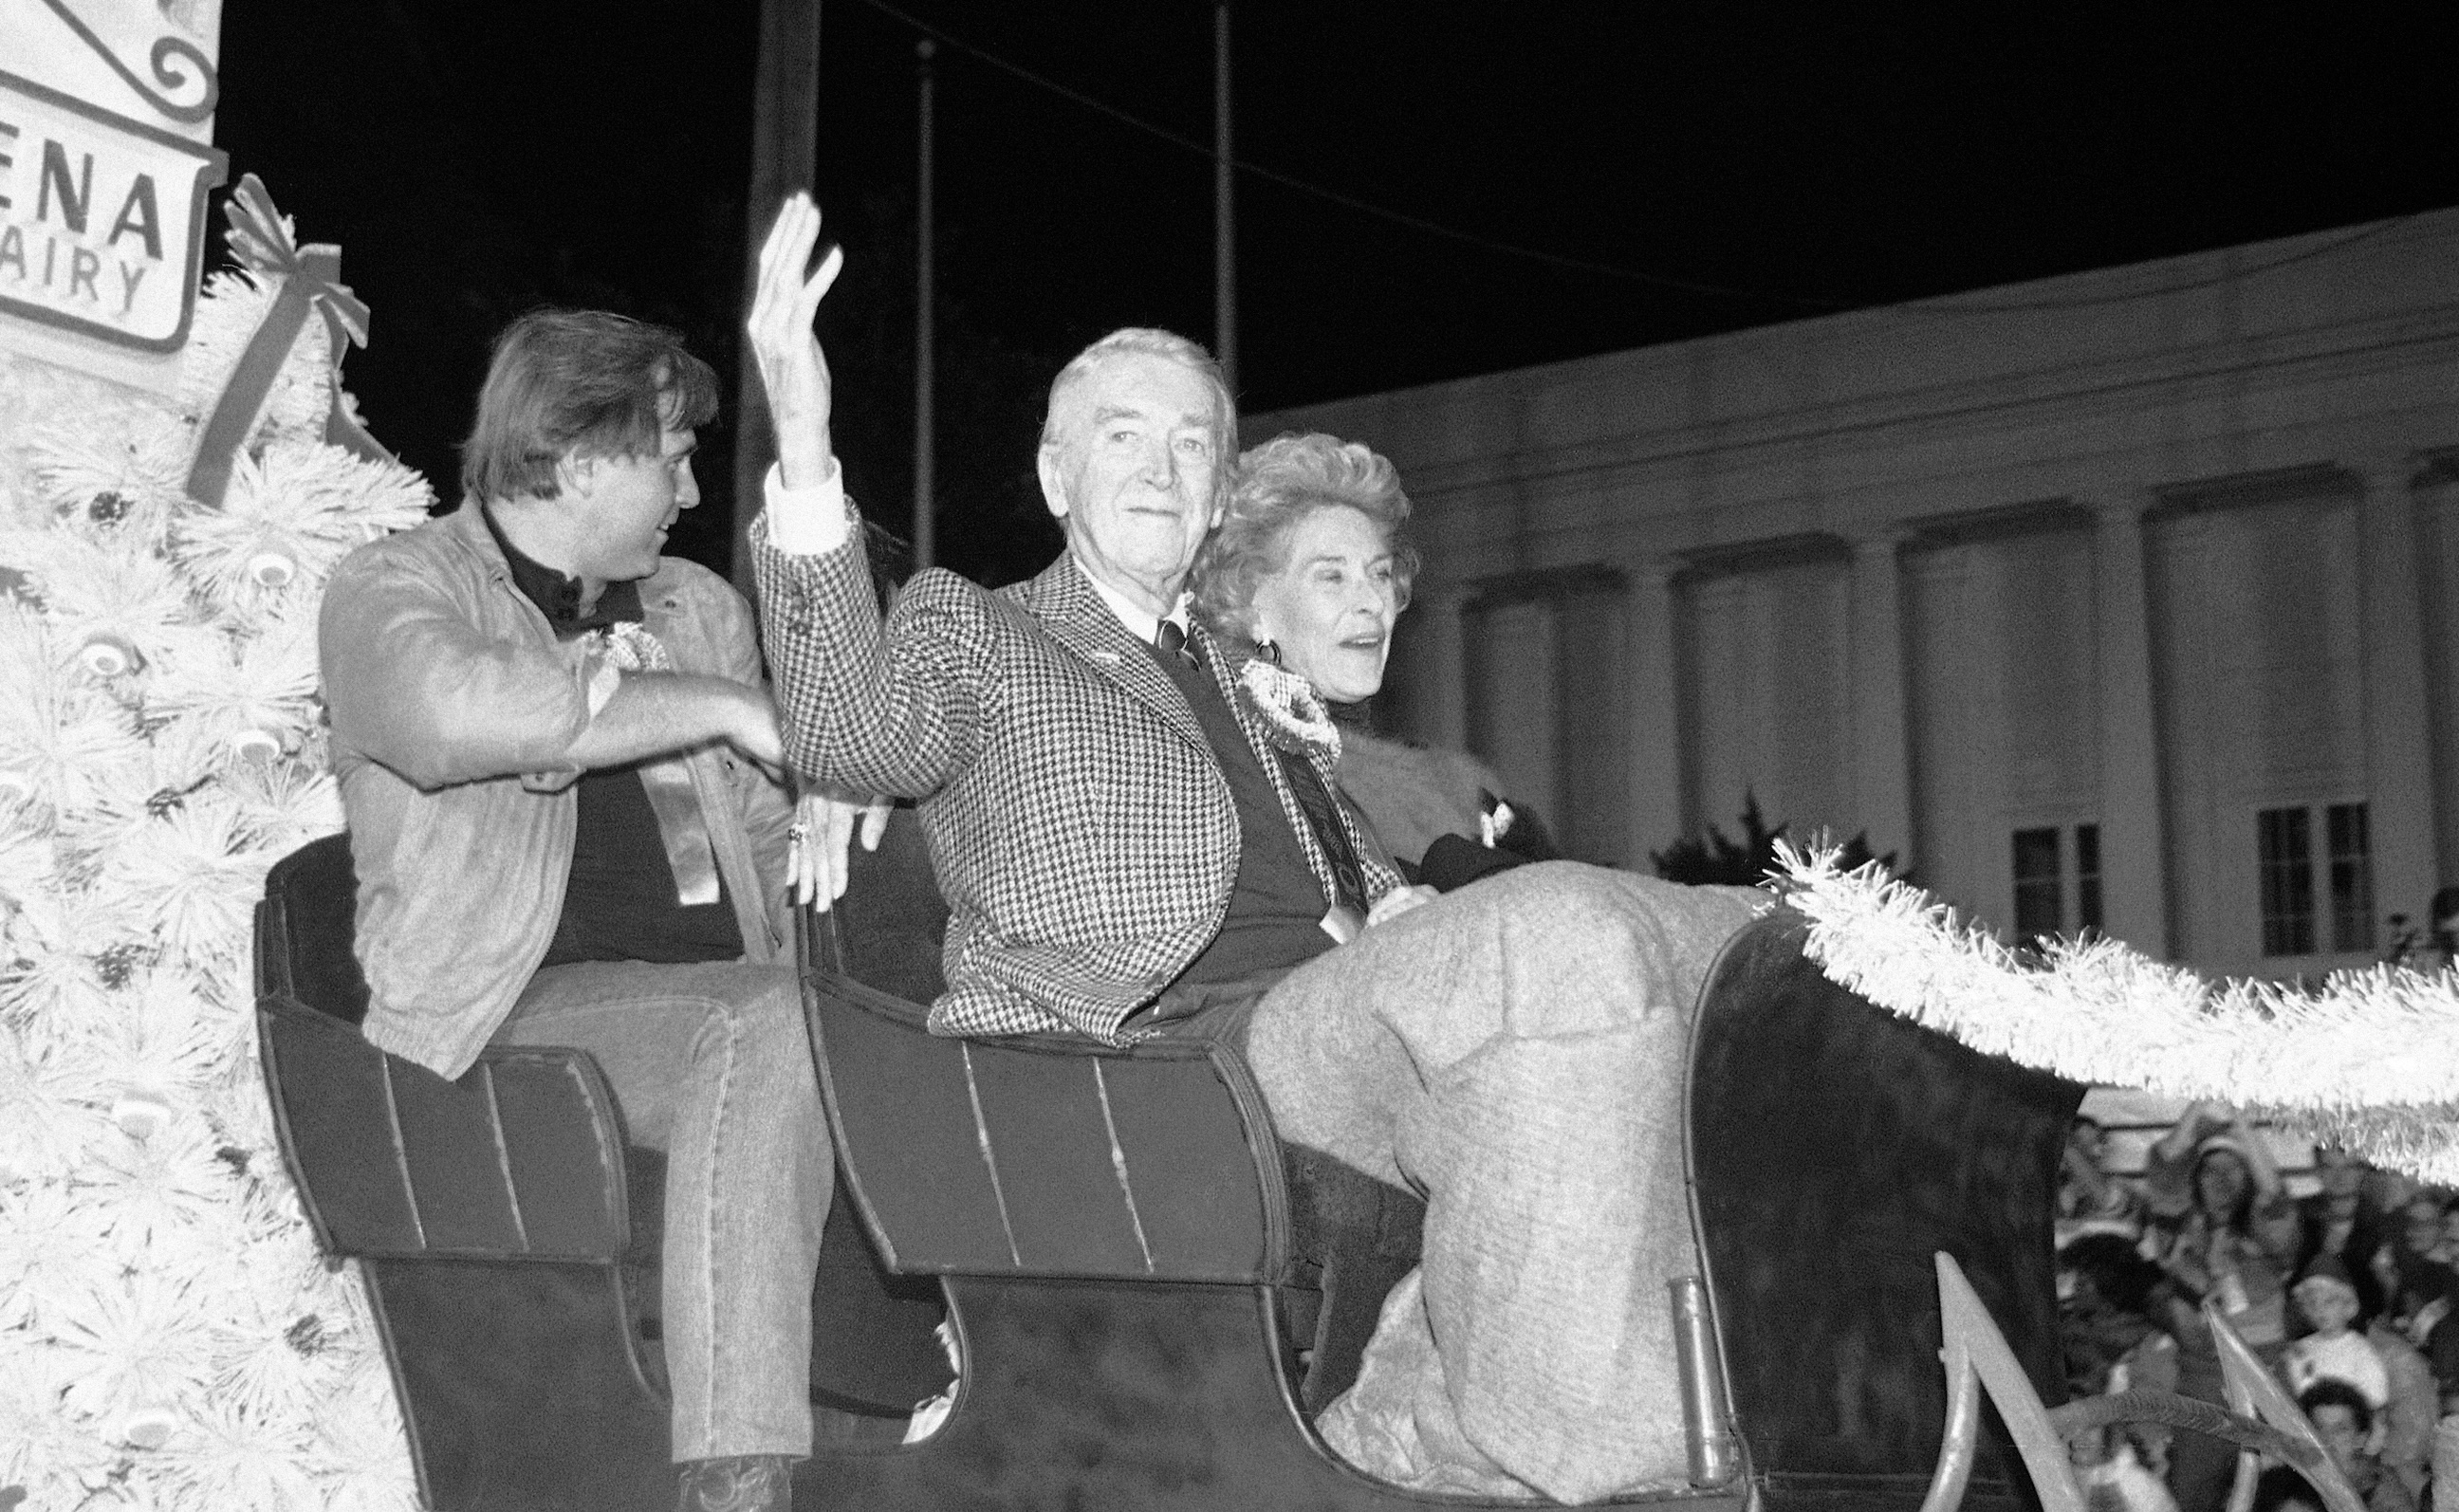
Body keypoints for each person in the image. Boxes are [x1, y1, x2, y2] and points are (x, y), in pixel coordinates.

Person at [745, 194, 1764, 1503]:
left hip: (1322, 1023)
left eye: (1191, 446)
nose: (1163, 469)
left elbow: (1368, 888)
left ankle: (1426, 1433)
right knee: (1560, 921)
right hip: (1155, 1050)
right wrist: (808, 443)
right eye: (1125, 438)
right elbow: (844, 737)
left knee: (1673, 977)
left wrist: (1412, 921)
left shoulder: (1245, 678)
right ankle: (1568, 1451)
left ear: (1221, 490)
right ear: (1057, 476)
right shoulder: (978, 627)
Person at [320, 308, 880, 1512]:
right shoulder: (396, 585)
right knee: (767, 1023)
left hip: (704, 1013)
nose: (688, 487)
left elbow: (764, 835)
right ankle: (736, 1482)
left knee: (823, 1013)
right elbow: (449, 717)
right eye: (671, 454)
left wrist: (841, 823)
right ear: (579, 462)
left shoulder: (693, 605)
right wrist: (721, 709)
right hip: (494, 1016)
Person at [2140, 1104, 2302, 1512]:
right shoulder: (2177, 1230)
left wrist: (2239, 1120)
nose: (2221, 1179)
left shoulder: (2267, 1240)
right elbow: (2163, 1171)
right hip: (2200, 1380)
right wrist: (2198, 1109)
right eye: (2210, 1169)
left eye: (2234, 1169)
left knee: (2273, 1495)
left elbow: (2275, 1196)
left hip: (2263, 1378)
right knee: (2194, 1497)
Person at [2284, 1257, 2392, 1411]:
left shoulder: (2359, 1348)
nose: (2320, 1310)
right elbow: (2298, 1387)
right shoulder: (2302, 1348)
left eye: (2329, 1302)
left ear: (2347, 1304)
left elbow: (2377, 1396)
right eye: (2313, 1304)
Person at [2302, 1379, 2422, 1512]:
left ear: (2361, 1438)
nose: (2326, 1439)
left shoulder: (2384, 1492)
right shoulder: (2293, 1481)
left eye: (2339, 1431)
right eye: (2317, 1428)